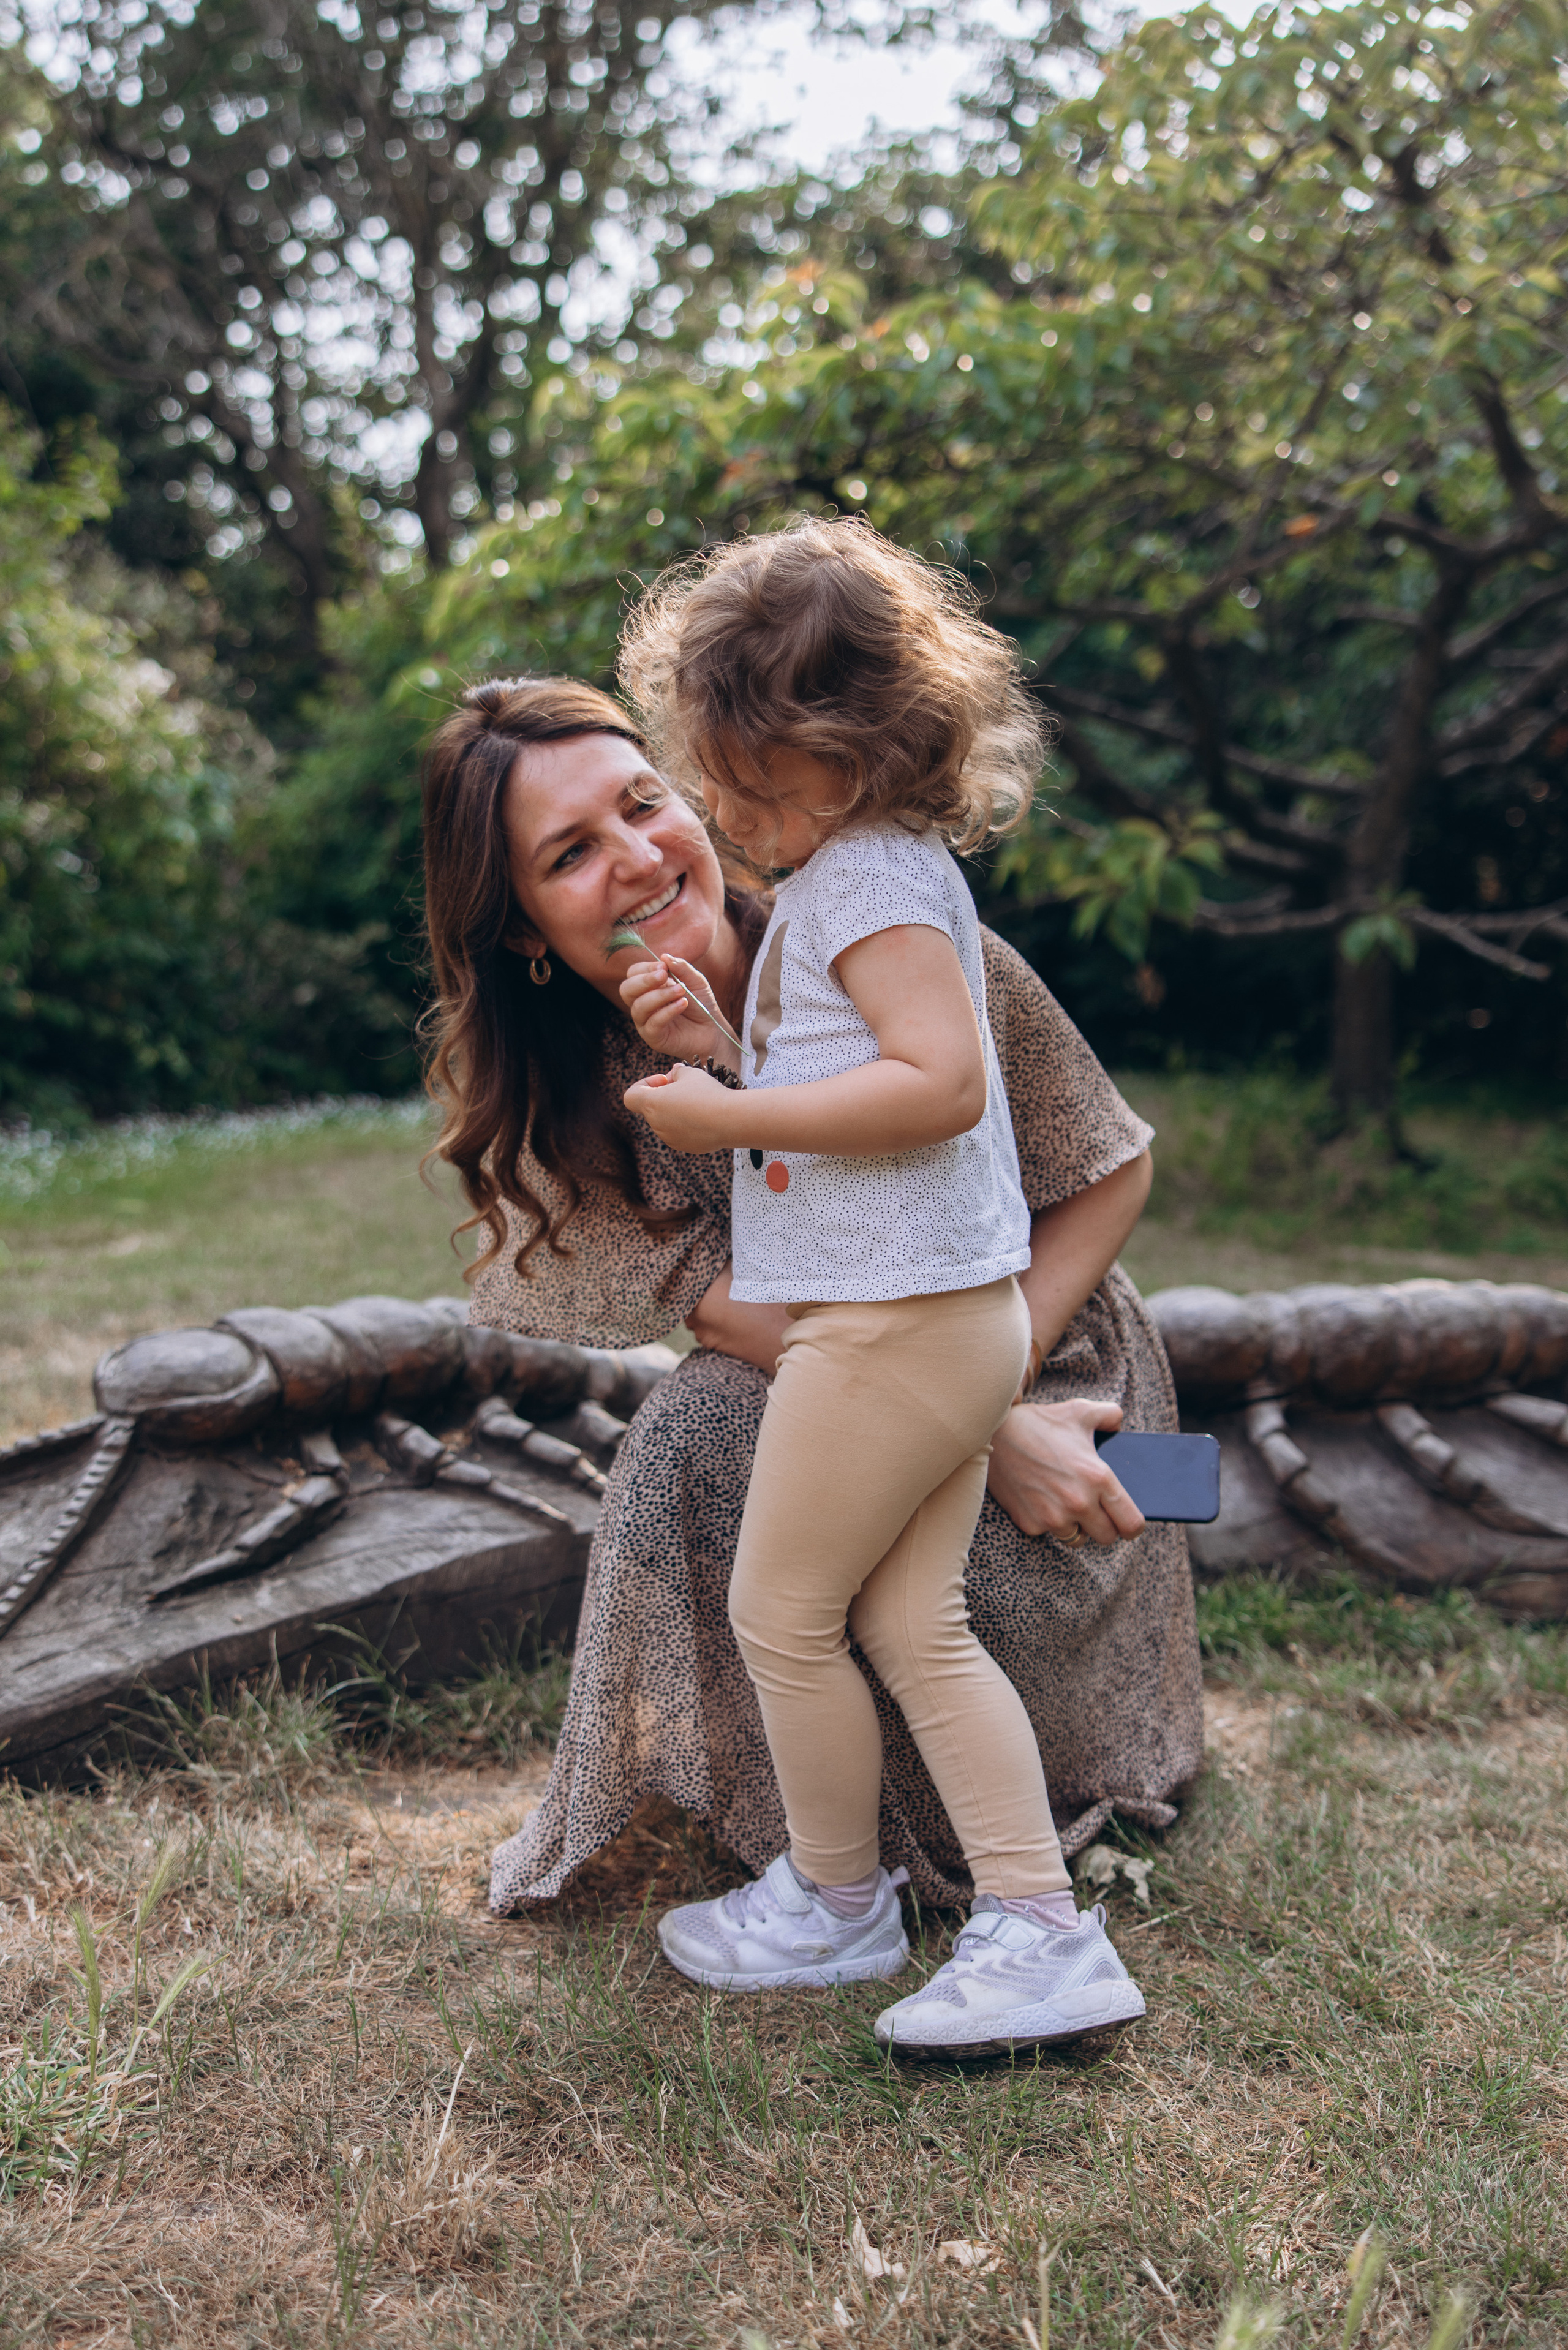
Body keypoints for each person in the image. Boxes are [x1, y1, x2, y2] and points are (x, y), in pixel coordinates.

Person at [418, 642, 1202, 2018]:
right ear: (528, 929)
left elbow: (1110, 1163)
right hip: (871, 1377)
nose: (640, 857)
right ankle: (838, 1870)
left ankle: (948, 1895)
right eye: (570, 852)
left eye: (642, 802)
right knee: (708, 1428)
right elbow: (758, 1315)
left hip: (1037, 1343)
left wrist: (1000, 1391)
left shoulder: (869, 934)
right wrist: (717, 1065)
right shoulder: (570, 1111)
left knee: (831, 1590)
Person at [601, 516, 1154, 2056]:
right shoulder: (861, 878)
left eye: (751, 775)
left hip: (898, 1327)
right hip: (924, 1315)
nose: (722, 804)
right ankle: (1031, 1922)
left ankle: (837, 1901)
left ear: (860, 749)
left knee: (781, 1610)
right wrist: (728, 1058)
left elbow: (938, 1086)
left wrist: (725, 1115)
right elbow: (854, 1101)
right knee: (912, 1627)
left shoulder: (867, 887)